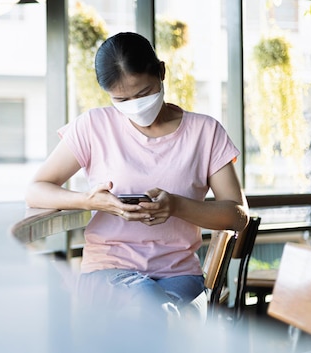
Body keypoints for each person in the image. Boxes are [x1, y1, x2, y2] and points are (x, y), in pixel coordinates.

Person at [25, 31, 249, 324]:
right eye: (122, 99)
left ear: (162, 72)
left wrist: (176, 207)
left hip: (179, 275)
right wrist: (90, 201)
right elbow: (36, 189)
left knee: (157, 317)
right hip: (108, 270)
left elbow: (237, 216)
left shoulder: (205, 132)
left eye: (143, 94)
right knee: (155, 316)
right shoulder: (94, 126)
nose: (135, 105)